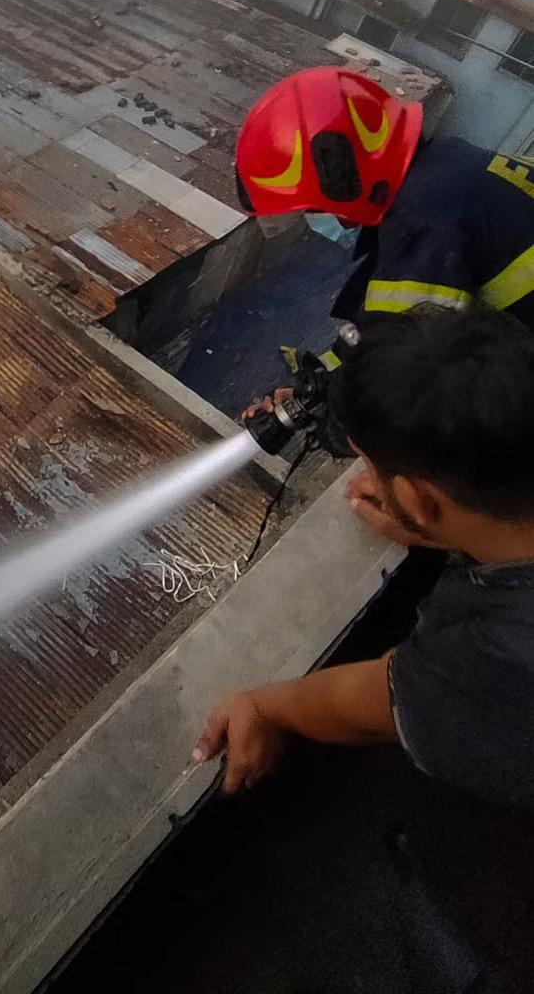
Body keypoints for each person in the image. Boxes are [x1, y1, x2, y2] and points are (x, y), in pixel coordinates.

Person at [194, 307, 534, 992]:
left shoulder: (494, 665)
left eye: (375, 468)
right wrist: (444, 529)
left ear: (418, 496)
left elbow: (372, 704)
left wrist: (263, 705)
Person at [235, 68, 534, 334]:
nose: (313, 220)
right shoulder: (446, 162)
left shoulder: (424, 219)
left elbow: (402, 357)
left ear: (343, 182)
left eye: (310, 210)